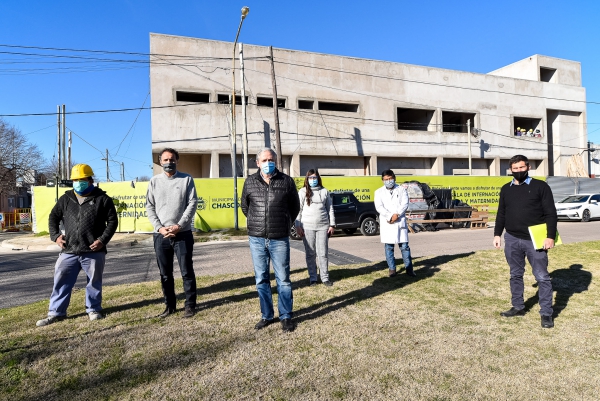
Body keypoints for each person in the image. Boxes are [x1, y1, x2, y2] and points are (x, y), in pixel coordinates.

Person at [36, 164, 118, 327]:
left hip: (94, 250)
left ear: (90, 180)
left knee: (94, 282)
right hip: (69, 250)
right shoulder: (66, 198)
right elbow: (53, 217)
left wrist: (102, 240)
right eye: (75, 180)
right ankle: (56, 313)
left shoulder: (102, 199)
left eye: (81, 180)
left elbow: (112, 221)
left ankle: (93, 309)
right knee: (61, 281)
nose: (78, 183)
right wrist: (56, 236)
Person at [493, 154, 557, 329]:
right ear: (510, 170)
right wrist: (497, 234)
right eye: (515, 169)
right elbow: (501, 213)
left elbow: (551, 213)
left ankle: (546, 313)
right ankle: (518, 307)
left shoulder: (540, 187)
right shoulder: (506, 189)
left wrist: (550, 236)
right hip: (512, 238)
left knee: (542, 277)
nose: (519, 171)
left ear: (528, 167)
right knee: (515, 274)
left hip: (535, 240)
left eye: (522, 168)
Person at [241, 148, 300, 332]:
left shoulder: (287, 181)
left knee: (283, 279)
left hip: (279, 239)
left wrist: (284, 223)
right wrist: (256, 224)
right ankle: (266, 315)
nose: (268, 163)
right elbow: (245, 207)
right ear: (257, 163)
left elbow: (294, 207)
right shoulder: (250, 182)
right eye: (265, 160)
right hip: (257, 239)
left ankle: (286, 316)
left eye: (271, 159)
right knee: (261, 279)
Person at [146, 148, 198, 319]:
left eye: (172, 159)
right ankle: (170, 306)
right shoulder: (154, 182)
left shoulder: (186, 179)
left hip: (182, 234)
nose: (169, 162)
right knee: (165, 274)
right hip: (160, 235)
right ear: (160, 161)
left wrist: (179, 226)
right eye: (166, 159)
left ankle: (190, 305)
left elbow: (192, 204)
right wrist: (160, 228)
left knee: (186, 272)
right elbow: (150, 206)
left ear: (177, 160)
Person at [295, 169, 336, 287]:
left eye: (315, 177)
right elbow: (299, 209)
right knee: (310, 253)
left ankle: (325, 278)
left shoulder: (324, 191)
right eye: (310, 178)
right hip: (307, 226)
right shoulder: (302, 191)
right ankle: (313, 278)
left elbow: (330, 208)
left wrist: (332, 224)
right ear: (307, 179)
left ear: (318, 178)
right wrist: (298, 225)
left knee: (323, 253)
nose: (313, 180)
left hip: (323, 226)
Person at [374, 169, 415, 277]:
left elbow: (405, 203)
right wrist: (389, 216)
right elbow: (379, 206)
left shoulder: (401, 190)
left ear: (394, 178)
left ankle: (409, 269)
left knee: (405, 247)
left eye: (390, 179)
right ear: (382, 180)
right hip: (387, 222)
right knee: (389, 247)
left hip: (399, 221)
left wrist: (397, 214)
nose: (388, 181)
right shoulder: (378, 192)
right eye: (386, 179)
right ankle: (392, 269)